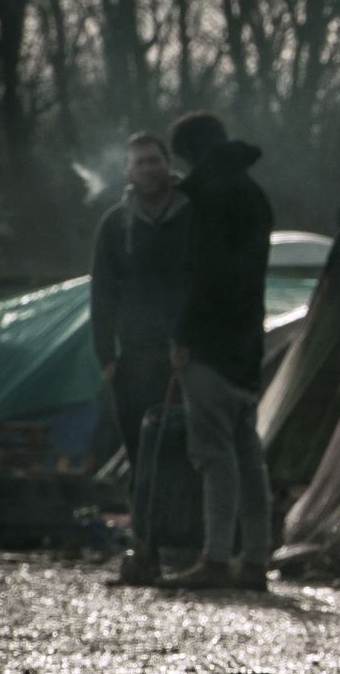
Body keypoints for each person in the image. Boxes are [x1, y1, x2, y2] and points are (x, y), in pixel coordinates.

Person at [159, 111, 274, 592]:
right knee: (247, 455)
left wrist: (182, 337)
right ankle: (255, 561)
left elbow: (200, 275)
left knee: (214, 455)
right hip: (247, 343)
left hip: (209, 343)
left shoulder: (207, 197)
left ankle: (216, 558)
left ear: (189, 154)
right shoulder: (254, 194)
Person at [89, 132, 191, 477]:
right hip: (135, 358)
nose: (148, 169)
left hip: (193, 354)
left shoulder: (195, 214)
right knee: (141, 454)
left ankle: (191, 529)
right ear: (128, 172)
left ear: (168, 165)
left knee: (191, 454)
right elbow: (102, 293)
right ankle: (146, 528)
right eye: (140, 162)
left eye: (154, 161)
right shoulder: (115, 225)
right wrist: (106, 357)